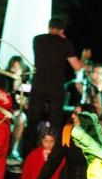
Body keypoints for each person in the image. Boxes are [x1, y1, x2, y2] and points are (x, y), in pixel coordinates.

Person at [23, 17, 87, 155]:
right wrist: (84, 57)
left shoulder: (37, 40)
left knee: (32, 121)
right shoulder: (65, 43)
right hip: (56, 87)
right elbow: (77, 66)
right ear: (62, 29)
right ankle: (54, 153)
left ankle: (27, 153)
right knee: (55, 123)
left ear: (49, 26)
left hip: (39, 84)